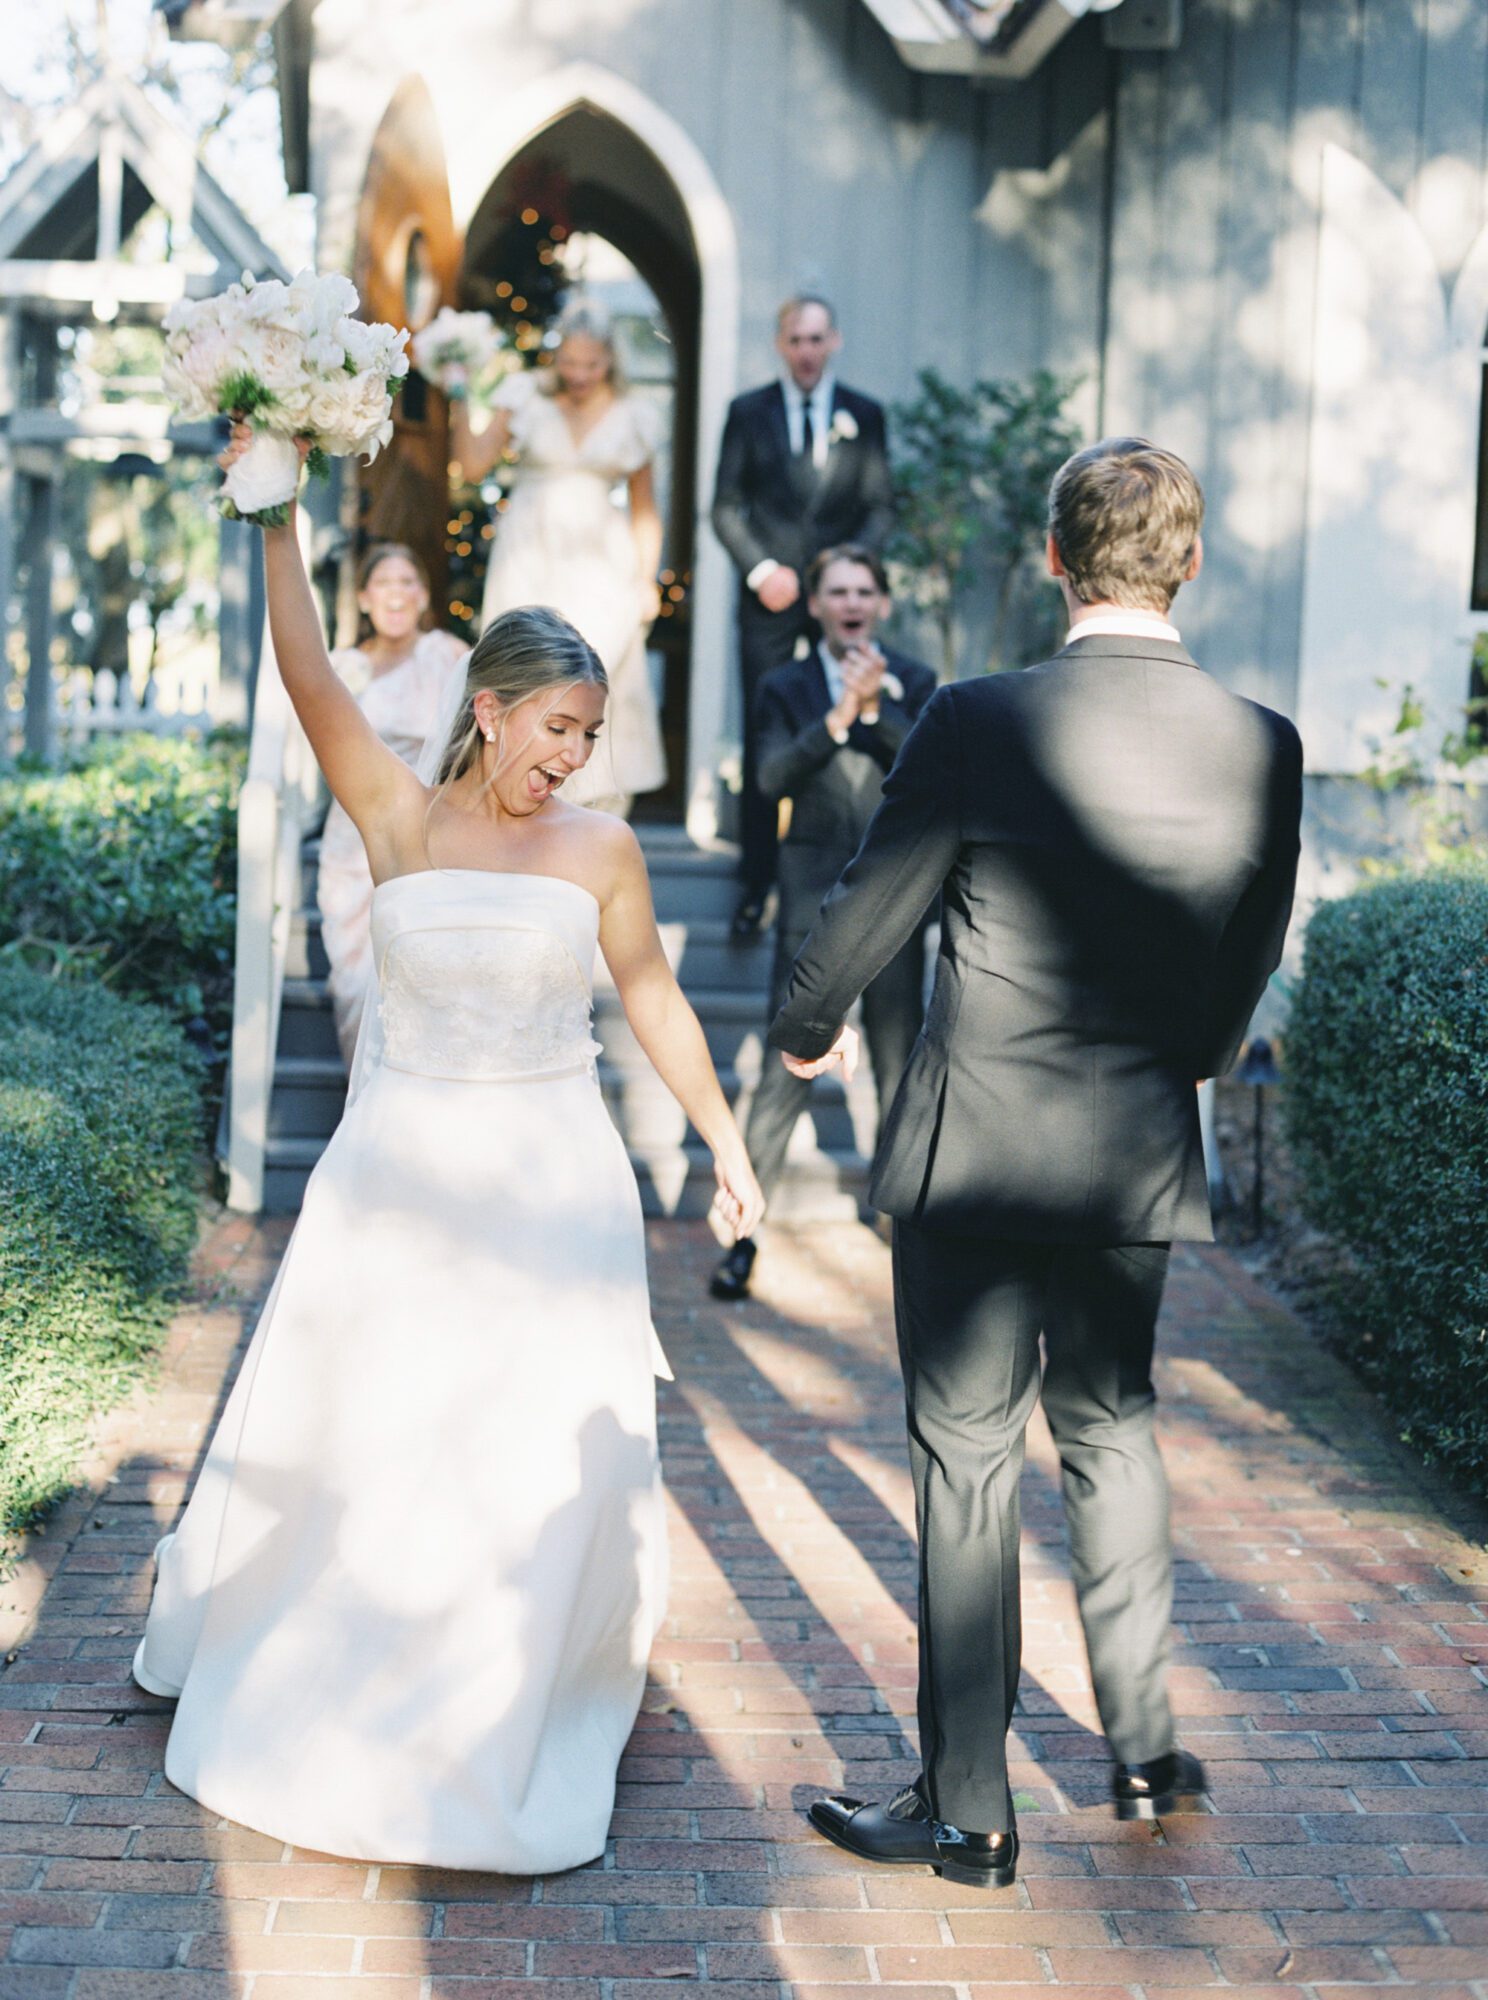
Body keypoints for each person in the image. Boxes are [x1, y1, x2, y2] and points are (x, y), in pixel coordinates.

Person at [133, 426, 764, 1874]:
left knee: (519, 1454)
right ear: (490, 710)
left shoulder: (603, 852)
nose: (574, 757)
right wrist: (275, 514)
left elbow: (652, 995)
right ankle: (349, 1673)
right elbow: (306, 675)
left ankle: (500, 1695)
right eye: (559, 727)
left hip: (552, 1190)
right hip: (396, 1187)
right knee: (383, 1434)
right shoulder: (400, 818)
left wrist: (723, 1137)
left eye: (592, 738)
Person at [767, 439, 1304, 1890]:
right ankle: (1140, 1756)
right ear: (1187, 564)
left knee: (967, 1460)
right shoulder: (1261, 742)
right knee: (1116, 1428)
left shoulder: (978, 719)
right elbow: (1238, 971)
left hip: (978, 1151)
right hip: (1130, 1149)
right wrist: (1160, 1068)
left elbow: (878, 900)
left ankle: (969, 1810)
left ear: (1056, 561)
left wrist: (805, 1025)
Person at [709, 545, 935, 1302]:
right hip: (810, 905)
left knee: (899, 1066)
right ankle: (745, 1230)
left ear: (881, 603)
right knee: (784, 1071)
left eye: (865, 590)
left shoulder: (919, 681)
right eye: (837, 590)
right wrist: (837, 717)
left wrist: (875, 714)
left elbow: (931, 775)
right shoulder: (785, 685)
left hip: (897, 898)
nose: (851, 602)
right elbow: (769, 777)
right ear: (815, 604)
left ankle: (902, 1229)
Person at [711, 296, 894, 937]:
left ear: (834, 341)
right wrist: (764, 572)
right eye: (796, 339)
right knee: (772, 736)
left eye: (818, 339)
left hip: (837, 603)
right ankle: (754, 884)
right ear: (780, 345)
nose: (808, 351)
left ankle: (851, 875)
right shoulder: (747, 413)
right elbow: (725, 508)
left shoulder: (865, 416)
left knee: (856, 717)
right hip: (771, 604)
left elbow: (878, 507)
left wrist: (843, 574)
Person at [448, 300, 666, 814]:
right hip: (529, 554)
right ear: (556, 357)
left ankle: (596, 814)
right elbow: (473, 463)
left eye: (591, 365)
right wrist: (459, 392)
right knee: (527, 672)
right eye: (570, 362)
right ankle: (518, 799)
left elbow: (644, 509)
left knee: (594, 671)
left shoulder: (634, 415)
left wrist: (645, 580)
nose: (580, 375)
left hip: (602, 563)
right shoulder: (524, 397)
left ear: (609, 361)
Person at [317, 543, 469, 1065]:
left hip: (429, 827)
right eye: (383, 584)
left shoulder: (450, 657)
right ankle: (361, 1107)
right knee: (355, 969)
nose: (396, 595)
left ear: (424, 595)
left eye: (408, 583)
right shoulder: (344, 667)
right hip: (353, 834)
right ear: (363, 598)